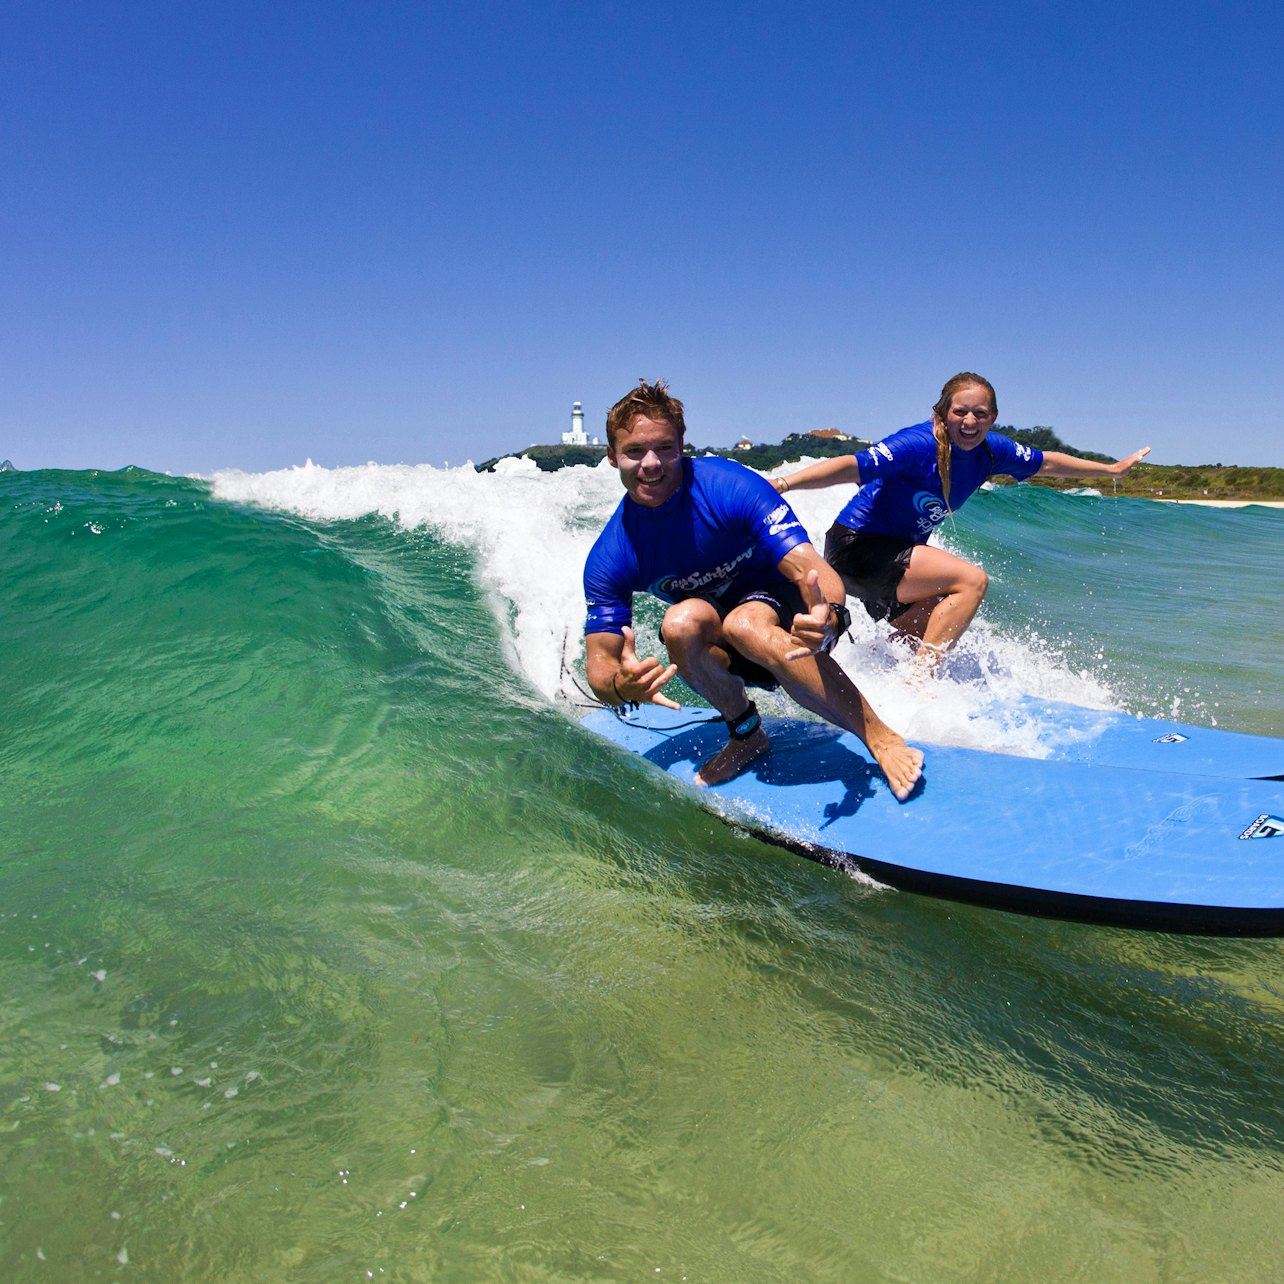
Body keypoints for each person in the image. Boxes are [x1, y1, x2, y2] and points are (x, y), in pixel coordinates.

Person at [583, 379, 923, 800]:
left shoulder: (730, 487)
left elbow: (811, 568)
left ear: (681, 446)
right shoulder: (613, 553)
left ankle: (880, 738)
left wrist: (831, 615)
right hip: (728, 647)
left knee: (746, 621)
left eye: (664, 448)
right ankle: (746, 735)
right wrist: (621, 686)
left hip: (795, 620)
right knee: (680, 623)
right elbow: (599, 663)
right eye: (635, 451)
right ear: (613, 456)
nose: (651, 463)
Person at [772, 372, 1151, 675]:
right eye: (960, 412)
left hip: (893, 561)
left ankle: (881, 687)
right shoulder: (916, 444)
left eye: (980, 414)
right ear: (942, 413)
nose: (970, 421)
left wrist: (1110, 469)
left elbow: (1048, 461)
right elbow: (852, 466)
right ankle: (921, 685)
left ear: (993, 418)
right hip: (857, 549)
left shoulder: (991, 451)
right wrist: (783, 483)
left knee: (927, 635)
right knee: (972, 580)